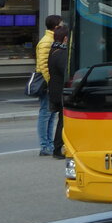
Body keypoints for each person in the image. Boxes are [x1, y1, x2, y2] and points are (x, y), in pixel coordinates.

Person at [35, 14, 62, 156]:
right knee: (45, 114)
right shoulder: (47, 42)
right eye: (61, 24)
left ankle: (49, 143)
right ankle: (45, 144)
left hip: (49, 83)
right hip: (46, 83)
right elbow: (44, 65)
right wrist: (51, 84)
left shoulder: (51, 40)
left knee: (51, 114)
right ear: (56, 26)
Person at [47, 23, 70, 159]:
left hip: (55, 90)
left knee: (62, 120)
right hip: (61, 91)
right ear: (65, 38)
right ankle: (57, 148)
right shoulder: (61, 53)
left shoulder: (53, 49)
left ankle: (58, 147)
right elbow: (65, 72)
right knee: (63, 121)